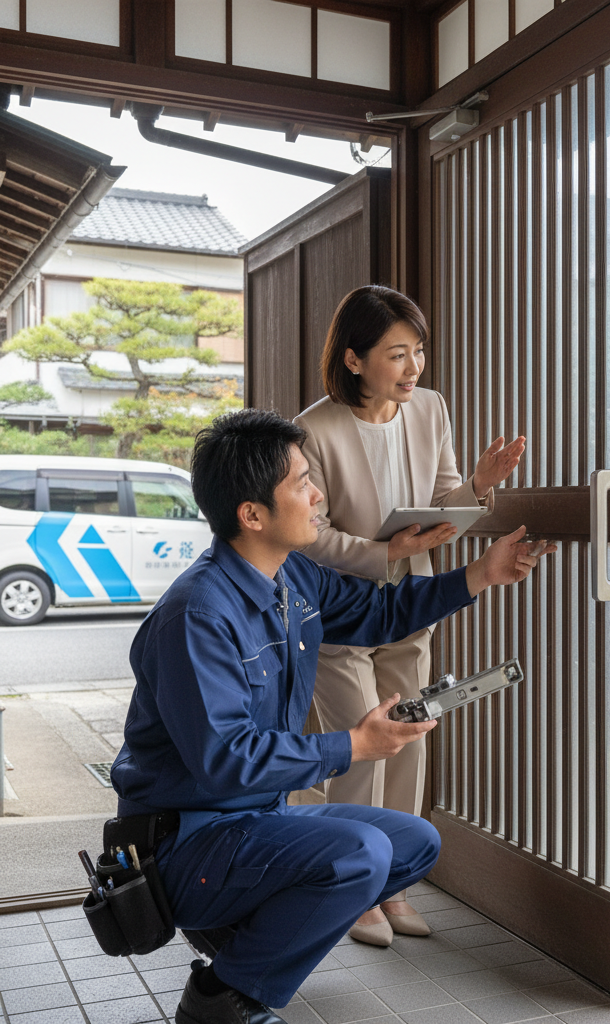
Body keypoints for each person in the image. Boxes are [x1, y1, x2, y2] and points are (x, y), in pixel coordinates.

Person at [109, 408, 553, 1024]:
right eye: (300, 483)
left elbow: (380, 613)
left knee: (413, 842)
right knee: (360, 854)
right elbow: (225, 762)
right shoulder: (198, 616)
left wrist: (483, 573)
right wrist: (354, 746)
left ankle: (241, 943)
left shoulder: (292, 577)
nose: (317, 495)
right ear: (253, 514)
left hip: (253, 820)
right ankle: (223, 998)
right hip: (185, 842)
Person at [294, 285, 526, 945]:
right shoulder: (313, 428)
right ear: (355, 358)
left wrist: (478, 487)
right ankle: (353, 886)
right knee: (360, 748)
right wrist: (381, 549)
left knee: (406, 739)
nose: (414, 367)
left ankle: (394, 883)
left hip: (410, 602)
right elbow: (309, 534)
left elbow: (441, 495)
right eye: (398, 354)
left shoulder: (430, 408)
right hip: (343, 609)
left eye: (418, 352)